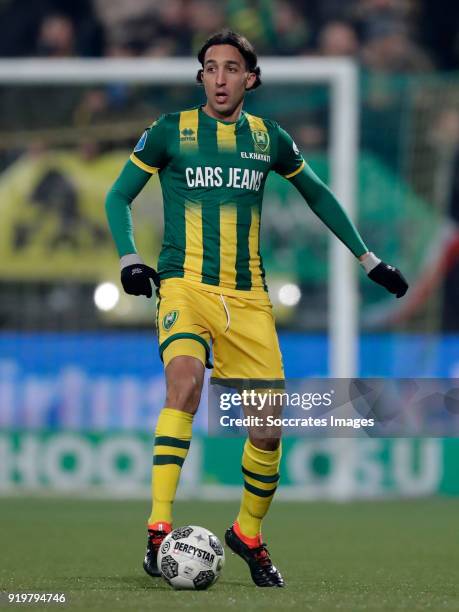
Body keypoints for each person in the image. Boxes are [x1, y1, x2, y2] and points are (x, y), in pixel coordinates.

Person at [105, 29, 408, 588]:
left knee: (268, 427)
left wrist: (367, 259)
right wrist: (129, 256)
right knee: (186, 384)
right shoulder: (170, 131)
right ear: (201, 77)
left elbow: (317, 193)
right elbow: (117, 194)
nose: (219, 77)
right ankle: (158, 529)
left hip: (248, 298)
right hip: (184, 287)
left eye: (231, 68)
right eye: (210, 68)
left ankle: (247, 534)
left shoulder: (270, 139)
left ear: (251, 78)